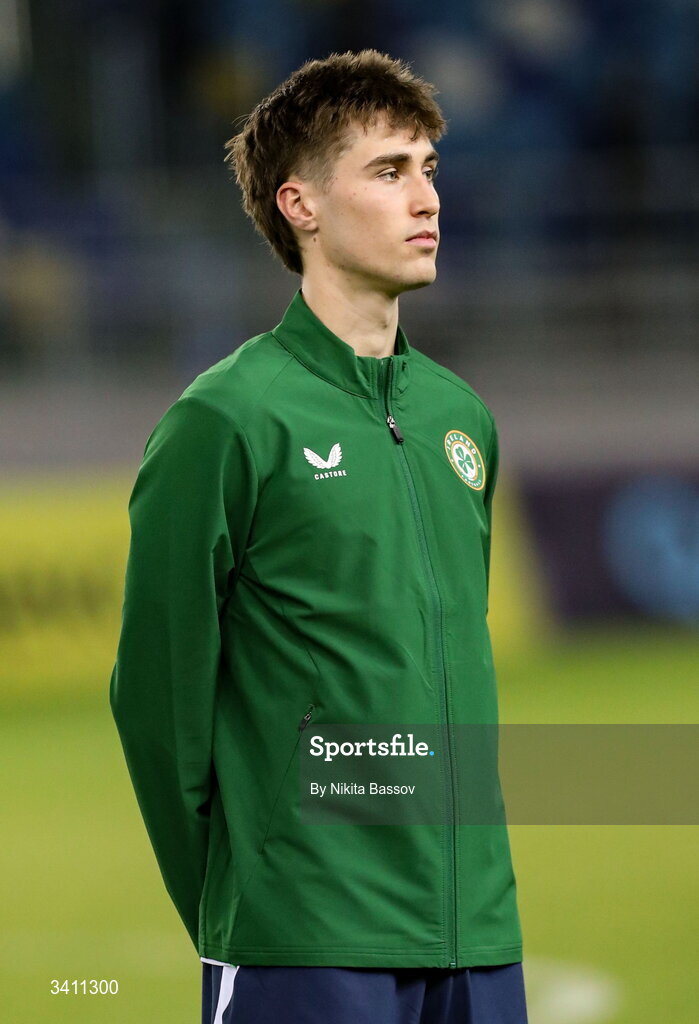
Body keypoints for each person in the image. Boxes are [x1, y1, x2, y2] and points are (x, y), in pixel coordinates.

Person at [109, 49, 528, 1024]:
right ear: (300, 205)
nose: (425, 196)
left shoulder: (461, 419)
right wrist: (241, 905)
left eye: (428, 166)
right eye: (388, 171)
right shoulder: (226, 418)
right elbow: (155, 695)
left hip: (477, 935)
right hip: (307, 938)